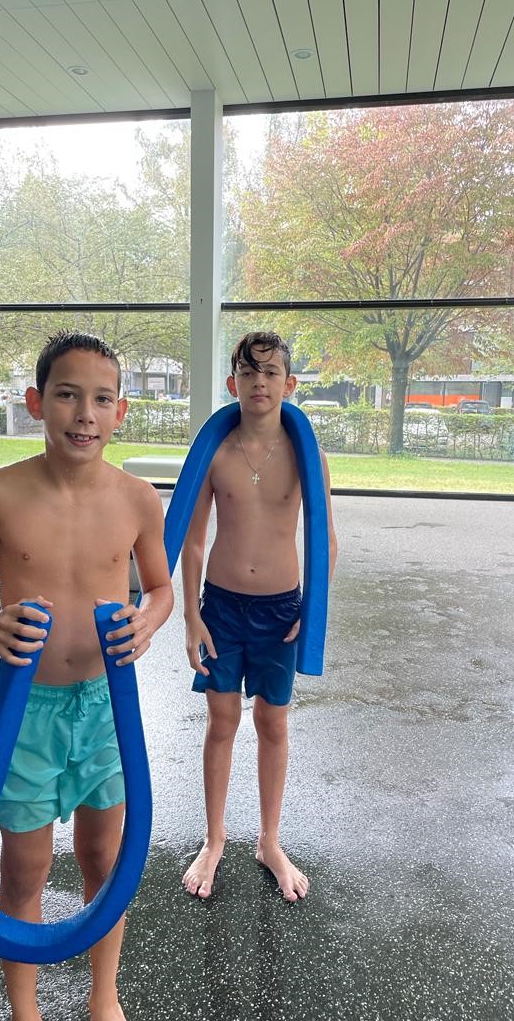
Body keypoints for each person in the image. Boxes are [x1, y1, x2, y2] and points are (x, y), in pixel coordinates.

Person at [0, 330, 173, 1021]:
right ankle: (25, 1008)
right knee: (25, 868)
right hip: (27, 709)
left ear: (121, 411)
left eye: (101, 400)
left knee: (104, 858)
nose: (84, 414)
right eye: (68, 395)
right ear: (37, 401)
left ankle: (105, 996)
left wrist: (148, 620)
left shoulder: (137, 498)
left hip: (105, 707)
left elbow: (161, 588)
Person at [181, 331, 337, 903]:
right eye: (249, 373)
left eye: (271, 373)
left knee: (273, 723)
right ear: (233, 383)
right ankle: (215, 838)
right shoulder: (217, 453)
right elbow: (193, 541)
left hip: (281, 609)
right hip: (222, 608)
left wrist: (312, 609)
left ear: (289, 384)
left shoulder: (307, 456)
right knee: (221, 722)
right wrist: (192, 615)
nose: (260, 383)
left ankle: (270, 840)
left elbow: (325, 540)